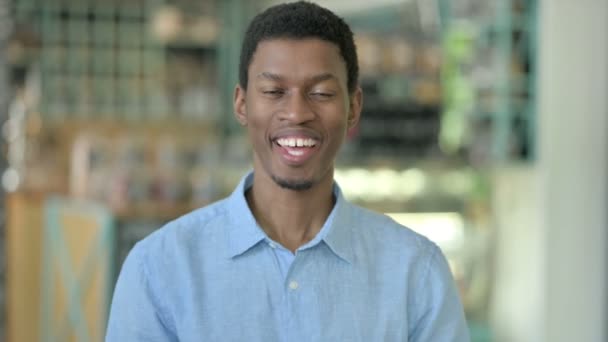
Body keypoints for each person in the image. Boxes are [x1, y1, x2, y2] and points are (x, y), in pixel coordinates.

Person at [105, 2, 470, 341]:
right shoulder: (160, 268)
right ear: (242, 104)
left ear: (353, 108)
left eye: (322, 93)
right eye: (274, 91)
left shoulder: (416, 272)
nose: (296, 113)